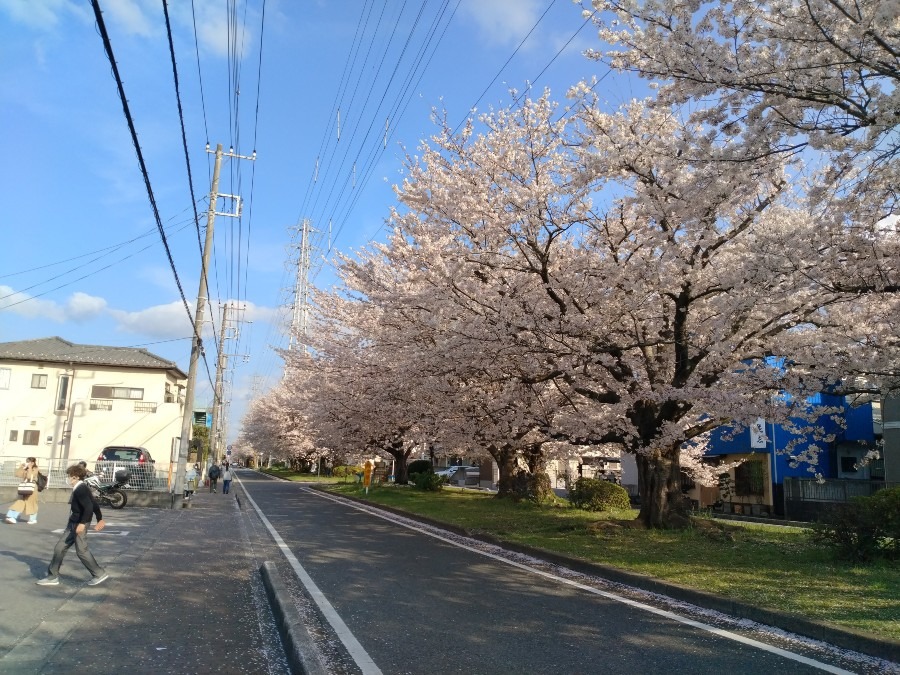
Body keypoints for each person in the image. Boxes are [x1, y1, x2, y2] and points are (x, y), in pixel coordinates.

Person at [36, 464, 109, 587]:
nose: (68, 479)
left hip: (78, 523)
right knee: (60, 548)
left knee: (81, 551)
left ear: (75, 477)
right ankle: (52, 576)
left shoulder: (80, 489)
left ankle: (99, 573)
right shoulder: (82, 487)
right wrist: (100, 518)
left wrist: (82, 524)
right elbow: (93, 503)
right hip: (74, 523)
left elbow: (89, 507)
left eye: (69, 476)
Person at [6, 457, 40, 524]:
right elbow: (17, 474)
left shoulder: (36, 469)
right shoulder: (25, 468)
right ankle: (11, 516)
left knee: (31, 503)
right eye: (27, 461)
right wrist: (21, 467)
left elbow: (30, 477)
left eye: (29, 462)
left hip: (32, 488)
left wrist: (30, 468)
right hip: (24, 487)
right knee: (20, 501)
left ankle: (33, 519)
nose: (27, 463)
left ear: (33, 463)